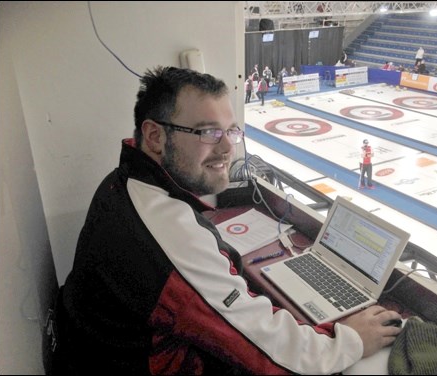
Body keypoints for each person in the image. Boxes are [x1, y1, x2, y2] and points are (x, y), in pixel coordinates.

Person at [58, 66, 401, 375]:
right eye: (208, 133)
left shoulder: (124, 182)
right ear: (154, 137)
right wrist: (351, 340)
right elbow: (274, 359)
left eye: (231, 131)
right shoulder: (166, 234)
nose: (227, 149)